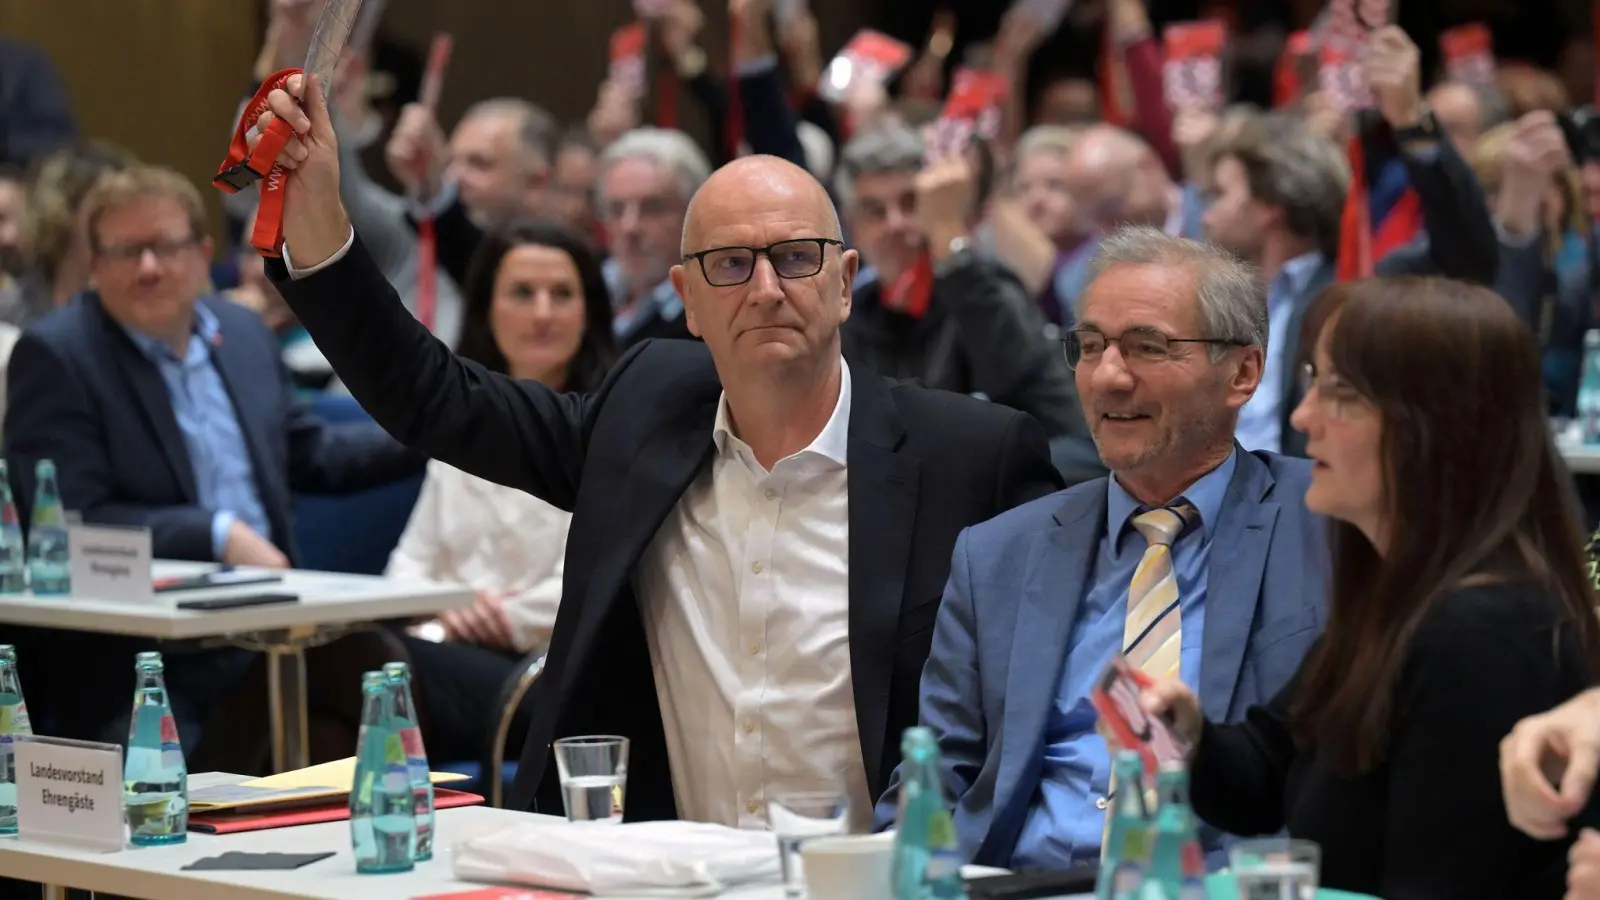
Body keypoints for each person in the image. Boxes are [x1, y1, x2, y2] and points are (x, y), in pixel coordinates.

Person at [250, 73, 1064, 829]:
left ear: (846, 282)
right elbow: (434, 399)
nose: (767, 289)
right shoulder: (642, 421)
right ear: (688, 302)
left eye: (796, 257)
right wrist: (320, 220)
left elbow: (1038, 716)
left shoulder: (970, 457)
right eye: (731, 265)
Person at [873, 226, 1327, 868]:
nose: (1109, 377)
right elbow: (934, 778)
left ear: (1243, 373)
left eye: (1148, 347)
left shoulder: (1324, 523)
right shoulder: (998, 553)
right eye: (1089, 346)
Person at [1138, 276, 1600, 898]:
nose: (1304, 418)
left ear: (1434, 429)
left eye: (1343, 395)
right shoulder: (1403, 595)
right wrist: (1185, 734)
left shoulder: (1482, 633)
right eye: (1311, 382)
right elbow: (1270, 773)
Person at [2, 164, 424, 767]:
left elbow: (308, 455)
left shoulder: (243, 333)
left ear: (202, 254)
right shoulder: (59, 355)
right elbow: (70, 518)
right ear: (94, 266)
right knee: (342, 689)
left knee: (373, 674)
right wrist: (217, 534)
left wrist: (430, 436)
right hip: (152, 653)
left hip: (270, 622)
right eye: (127, 252)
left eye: (165, 247)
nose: (149, 268)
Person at [389, 219, 617, 765]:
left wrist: (487, 619)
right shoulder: (458, 432)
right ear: (487, 308)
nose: (543, 312)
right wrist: (449, 612)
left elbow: (602, 589)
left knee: (376, 671)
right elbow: (402, 570)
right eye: (522, 293)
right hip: (445, 658)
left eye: (562, 294)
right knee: (357, 678)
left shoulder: (616, 430)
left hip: (552, 680)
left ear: (589, 311)